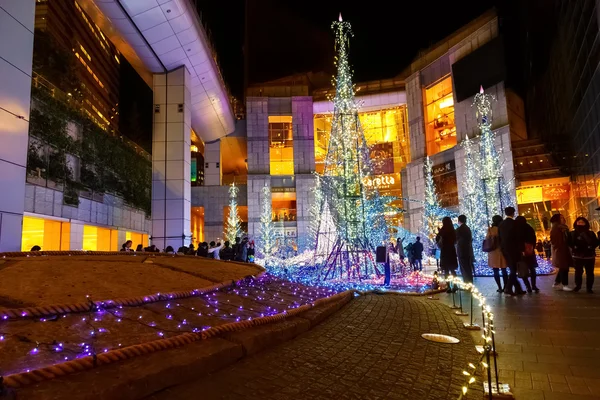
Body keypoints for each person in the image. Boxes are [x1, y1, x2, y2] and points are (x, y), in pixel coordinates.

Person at [498, 206, 526, 296]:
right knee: (513, 270)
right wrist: (522, 249)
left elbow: (500, 238)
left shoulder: (501, 224)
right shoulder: (515, 223)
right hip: (514, 250)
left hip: (505, 250)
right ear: (513, 213)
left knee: (512, 269)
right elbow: (519, 237)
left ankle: (518, 289)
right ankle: (508, 288)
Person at [570, 217, 598, 293]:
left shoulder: (591, 233)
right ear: (576, 223)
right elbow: (569, 243)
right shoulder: (573, 233)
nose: (580, 224)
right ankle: (578, 286)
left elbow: (595, 243)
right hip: (577, 256)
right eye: (579, 222)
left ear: (586, 223)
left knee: (590, 273)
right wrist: (574, 247)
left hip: (589, 256)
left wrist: (590, 246)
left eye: (582, 222)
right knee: (578, 272)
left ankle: (589, 288)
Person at [516, 216, 540, 293]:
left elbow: (517, 241)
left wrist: (521, 249)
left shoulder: (517, 229)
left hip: (521, 252)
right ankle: (534, 285)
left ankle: (528, 286)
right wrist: (532, 247)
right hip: (530, 251)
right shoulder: (529, 228)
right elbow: (534, 238)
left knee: (523, 269)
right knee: (532, 269)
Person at [550, 214, 572, 291]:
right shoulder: (556, 227)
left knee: (564, 267)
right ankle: (565, 284)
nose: (563, 218)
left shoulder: (563, 227)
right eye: (561, 218)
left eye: (563, 217)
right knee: (564, 267)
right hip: (560, 250)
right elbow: (553, 240)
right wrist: (558, 246)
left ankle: (556, 283)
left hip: (565, 249)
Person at [436, 216, 458, 292]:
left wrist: (439, 232)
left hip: (445, 251)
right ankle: (455, 285)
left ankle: (448, 286)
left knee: (446, 270)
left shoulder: (442, 230)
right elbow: (455, 240)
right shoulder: (452, 230)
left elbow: (438, 240)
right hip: (451, 251)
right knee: (452, 270)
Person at [487, 215, 508, 293]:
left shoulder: (490, 229)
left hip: (493, 252)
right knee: (504, 269)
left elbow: (487, 239)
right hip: (501, 251)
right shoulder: (502, 228)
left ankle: (499, 287)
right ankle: (506, 286)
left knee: (495, 270)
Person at [456, 215, 474, 283]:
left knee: (464, 267)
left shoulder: (459, 229)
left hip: (461, 250)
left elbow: (455, 239)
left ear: (459, 220)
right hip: (467, 250)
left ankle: (467, 283)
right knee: (468, 267)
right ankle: (470, 282)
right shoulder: (467, 228)